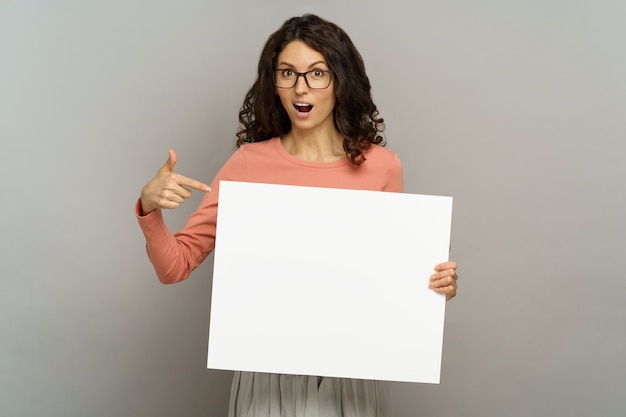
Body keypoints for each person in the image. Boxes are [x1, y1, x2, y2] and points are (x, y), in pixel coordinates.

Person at [135, 14, 459, 417]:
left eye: (317, 73)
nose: (301, 87)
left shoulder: (383, 167)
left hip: (354, 379)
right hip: (267, 379)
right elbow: (175, 267)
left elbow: (395, 279)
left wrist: (435, 283)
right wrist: (148, 209)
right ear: (274, 82)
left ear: (341, 80)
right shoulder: (248, 164)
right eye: (287, 73)